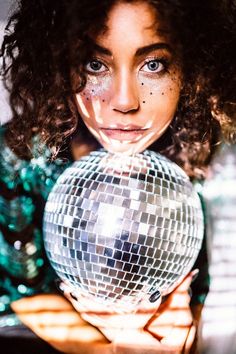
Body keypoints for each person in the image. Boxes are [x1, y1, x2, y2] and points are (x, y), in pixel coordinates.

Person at [0, 0, 235, 353]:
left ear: (193, 67)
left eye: (153, 64)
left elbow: (200, 295)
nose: (124, 100)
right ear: (61, 63)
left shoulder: (209, 162)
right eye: (95, 64)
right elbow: (23, 289)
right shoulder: (20, 156)